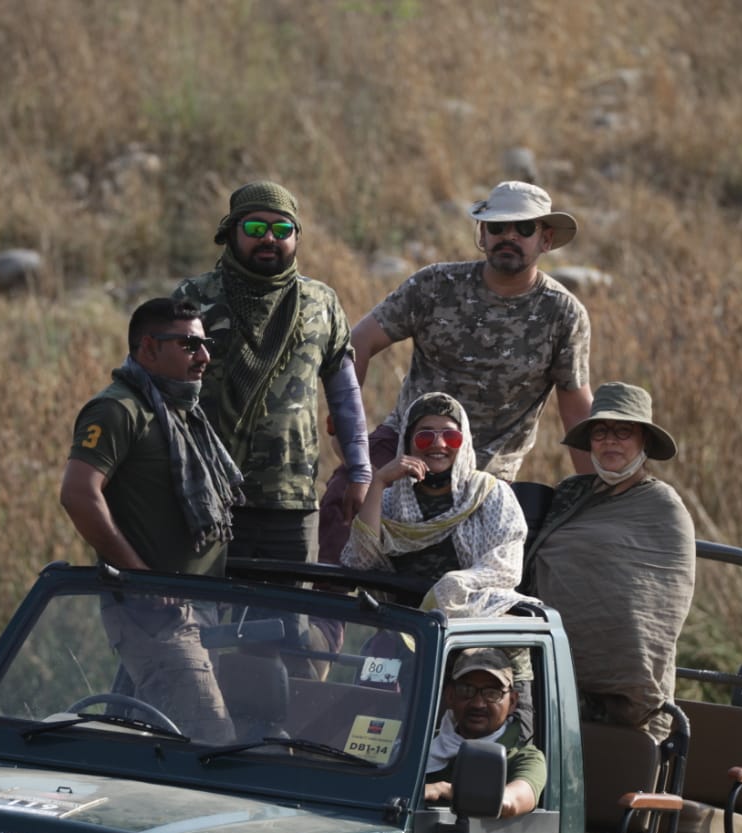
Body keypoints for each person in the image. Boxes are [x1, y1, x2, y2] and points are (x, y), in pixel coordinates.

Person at [319, 180, 593, 563]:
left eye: (524, 228)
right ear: (482, 233)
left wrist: (596, 498)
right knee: (344, 498)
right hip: (407, 442)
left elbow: (576, 406)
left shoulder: (563, 313)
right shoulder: (435, 285)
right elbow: (356, 344)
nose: (508, 236)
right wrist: (344, 433)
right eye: (497, 227)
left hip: (487, 466)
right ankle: (329, 618)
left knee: (481, 565)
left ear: (545, 239)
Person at [60, 296, 243, 742]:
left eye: (206, 345)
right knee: (211, 742)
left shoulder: (184, 411)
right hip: (155, 612)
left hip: (197, 604)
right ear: (148, 348)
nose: (204, 357)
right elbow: (79, 495)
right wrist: (142, 577)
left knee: (147, 741)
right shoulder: (119, 409)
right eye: (189, 345)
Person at [173, 180, 369, 562]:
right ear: (230, 231)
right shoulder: (195, 298)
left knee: (291, 618)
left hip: (292, 502)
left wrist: (360, 471)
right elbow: (164, 389)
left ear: (297, 237)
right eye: (254, 228)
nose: (269, 239)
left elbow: (344, 394)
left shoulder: (321, 301)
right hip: (208, 494)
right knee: (208, 616)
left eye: (282, 230)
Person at [341, 391, 538, 733]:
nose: (438, 444)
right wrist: (379, 484)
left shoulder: (489, 494)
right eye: (425, 435)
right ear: (408, 442)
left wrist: (454, 585)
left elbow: (506, 566)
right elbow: (360, 562)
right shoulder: (390, 498)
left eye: (450, 434)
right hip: (404, 636)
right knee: (366, 722)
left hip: (476, 635)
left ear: (464, 441)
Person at [525, 382, 695, 743]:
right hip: (549, 676)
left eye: (623, 431)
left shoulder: (664, 508)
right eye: (600, 432)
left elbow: (658, 609)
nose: (610, 441)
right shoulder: (573, 494)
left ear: (644, 442)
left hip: (625, 705)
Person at [424, 648, 546, 818]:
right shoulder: (422, 744)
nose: (478, 703)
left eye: (492, 693)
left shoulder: (525, 758)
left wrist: (443, 789)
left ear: (512, 702)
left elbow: (511, 802)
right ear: (450, 696)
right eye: (467, 690)